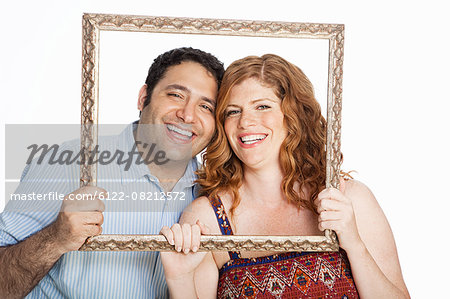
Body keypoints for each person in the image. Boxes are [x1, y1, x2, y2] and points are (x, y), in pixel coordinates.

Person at [160, 54, 410, 298]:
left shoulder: (348, 200)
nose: (245, 122)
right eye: (233, 111)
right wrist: (179, 280)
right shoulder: (206, 219)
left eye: (263, 106)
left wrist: (354, 245)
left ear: (293, 117)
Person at [0, 47, 224, 298]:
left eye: (206, 106)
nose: (187, 114)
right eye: (175, 95)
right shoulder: (69, 163)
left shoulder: (215, 196)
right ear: (143, 97)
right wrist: (55, 239)